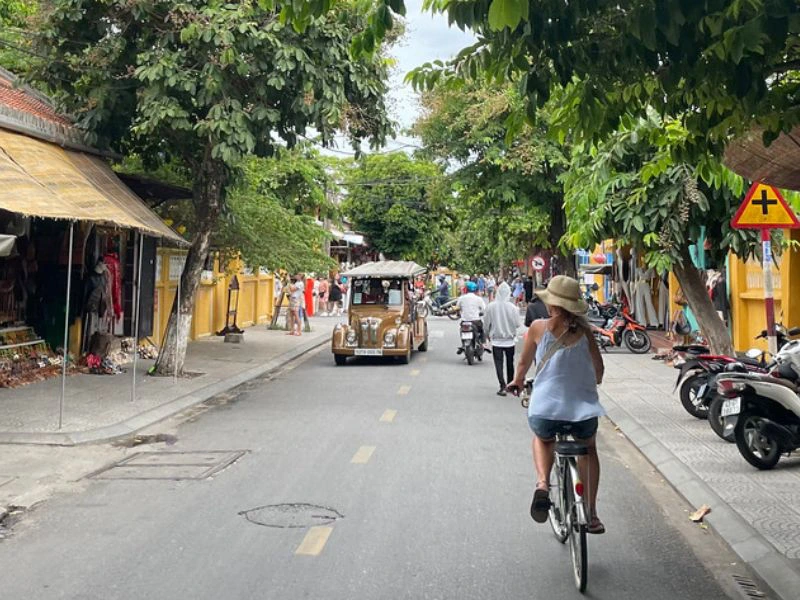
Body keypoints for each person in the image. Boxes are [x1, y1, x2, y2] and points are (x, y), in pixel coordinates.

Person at [507, 275, 606, 534]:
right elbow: (599, 370)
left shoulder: (538, 328)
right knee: (589, 448)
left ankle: (542, 485)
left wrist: (517, 382)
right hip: (583, 412)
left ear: (551, 304)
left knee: (542, 438)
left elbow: (523, 364)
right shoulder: (586, 332)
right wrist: (591, 381)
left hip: (545, 411)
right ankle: (592, 514)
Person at [484, 282, 520, 396]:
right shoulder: (513, 308)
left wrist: (486, 334)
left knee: (498, 364)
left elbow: (486, 323)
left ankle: (502, 386)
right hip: (510, 340)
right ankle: (510, 384)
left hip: (496, 340)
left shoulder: (491, 306)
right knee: (510, 363)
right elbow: (518, 324)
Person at [456, 281, 486, 350]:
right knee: (482, 330)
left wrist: (458, 313)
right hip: (475, 321)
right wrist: (481, 313)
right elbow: (484, 309)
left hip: (464, 321)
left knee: (461, 330)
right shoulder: (478, 299)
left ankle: (463, 344)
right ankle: (483, 343)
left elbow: (457, 307)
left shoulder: (461, 298)